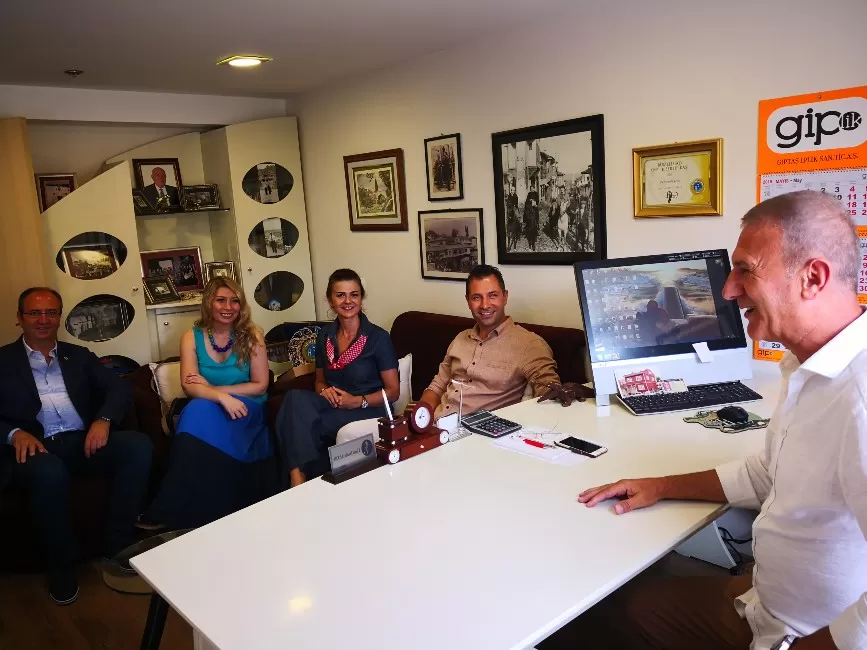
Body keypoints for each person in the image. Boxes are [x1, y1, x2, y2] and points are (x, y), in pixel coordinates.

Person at [571, 190, 867, 650]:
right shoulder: (806, 367)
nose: (728, 290)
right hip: (760, 604)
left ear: (812, 278)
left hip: (797, 636)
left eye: (746, 270)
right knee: (623, 606)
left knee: (594, 620)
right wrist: (660, 486)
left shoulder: (859, 397)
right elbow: (768, 473)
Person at [0, 287, 152, 605]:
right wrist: (14, 433)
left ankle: (118, 545)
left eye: (51, 312)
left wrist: (104, 419)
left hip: (79, 442)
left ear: (59, 317)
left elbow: (118, 390)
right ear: (19, 318)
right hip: (34, 449)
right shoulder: (3, 361)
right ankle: (61, 567)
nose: (43, 319)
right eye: (34, 313)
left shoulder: (78, 356)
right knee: (49, 472)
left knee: (137, 446)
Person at [141, 277, 273, 529]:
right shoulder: (191, 337)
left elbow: (260, 385)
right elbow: (190, 386)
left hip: (247, 408)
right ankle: (184, 509)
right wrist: (220, 397)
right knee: (197, 409)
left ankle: (168, 507)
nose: (228, 307)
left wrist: (212, 389)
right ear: (209, 303)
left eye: (235, 301)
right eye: (221, 300)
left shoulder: (252, 335)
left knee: (198, 409)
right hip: (212, 405)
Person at [276, 269, 399, 487]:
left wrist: (358, 401)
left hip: (368, 408)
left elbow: (393, 391)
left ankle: (299, 480)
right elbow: (320, 381)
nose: (348, 301)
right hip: (334, 405)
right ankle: (297, 476)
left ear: (361, 298)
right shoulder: (325, 336)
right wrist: (325, 392)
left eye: (354, 294)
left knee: (300, 424)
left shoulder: (378, 338)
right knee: (293, 399)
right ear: (331, 300)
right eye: (340, 295)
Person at [420, 264, 587, 422]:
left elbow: (547, 388)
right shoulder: (460, 339)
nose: (485, 305)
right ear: (468, 301)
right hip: (434, 427)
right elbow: (436, 387)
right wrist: (419, 420)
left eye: (492, 295)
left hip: (476, 434)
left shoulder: (529, 344)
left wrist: (563, 393)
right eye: (476, 297)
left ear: (505, 297)